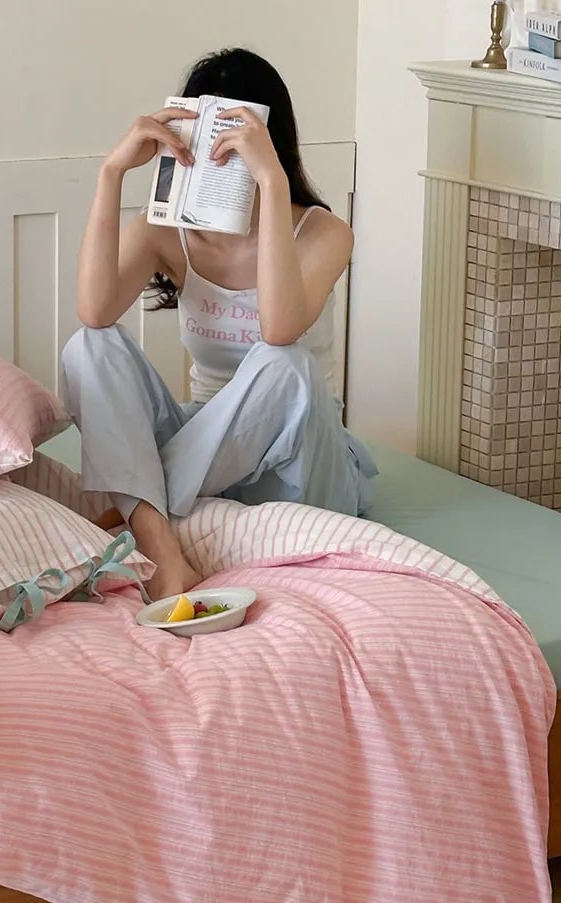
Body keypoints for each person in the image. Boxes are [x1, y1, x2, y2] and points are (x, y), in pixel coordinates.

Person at [61, 47, 377, 601]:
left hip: (301, 455)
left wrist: (271, 183)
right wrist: (111, 174)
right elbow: (94, 310)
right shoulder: (166, 231)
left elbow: (279, 330)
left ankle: (133, 508)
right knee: (89, 346)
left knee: (284, 363)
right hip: (205, 447)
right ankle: (162, 547)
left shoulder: (325, 234)